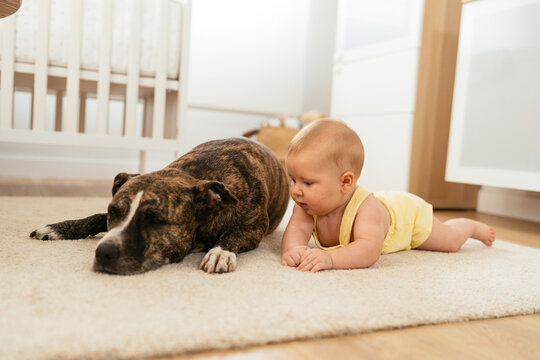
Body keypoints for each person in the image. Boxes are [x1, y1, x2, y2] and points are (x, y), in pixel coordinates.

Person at [281, 119, 495, 273]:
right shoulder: (305, 204)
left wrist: (330, 258)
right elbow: (297, 229)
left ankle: (469, 226)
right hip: (388, 205)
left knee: (449, 242)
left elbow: (368, 250)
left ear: (345, 182)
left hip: (408, 217)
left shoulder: (366, 209)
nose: (297, 190)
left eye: (307, 182)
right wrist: (293, 250)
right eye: (293, 179)